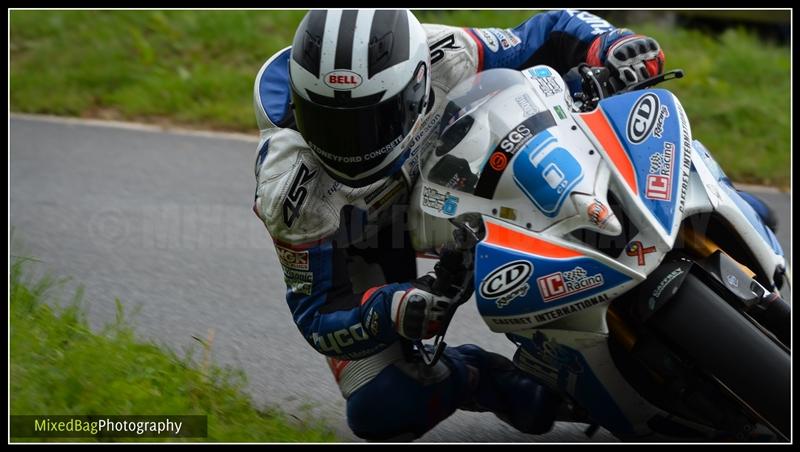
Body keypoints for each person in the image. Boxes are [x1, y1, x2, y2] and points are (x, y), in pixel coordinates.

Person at [251, 9, 668, 441]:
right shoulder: (289, 188)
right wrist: (392, 308)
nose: (351, 144)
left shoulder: (445, 53)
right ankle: (499, 381)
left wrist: (613, 45)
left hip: (456, 163)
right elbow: (318, 313)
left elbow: (546, 31)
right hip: (363, 237)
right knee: (383, 405)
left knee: (595, 90)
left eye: (371, 120)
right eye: (330, 123)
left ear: (415, 84)